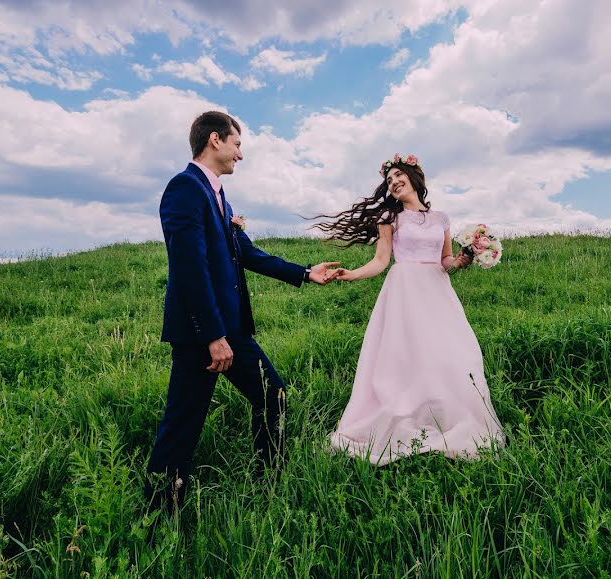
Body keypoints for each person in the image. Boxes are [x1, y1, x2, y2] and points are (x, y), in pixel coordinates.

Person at [144, 111, 341, 511]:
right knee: (183, 423)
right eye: (237, 144)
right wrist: (213, 335)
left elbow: (247, 253)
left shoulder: (219, 196)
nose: (241, 154)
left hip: (230, 330)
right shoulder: (184, 189)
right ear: (215, 140)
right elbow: (189, 269)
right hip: (205, 333)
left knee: (274, 397)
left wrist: (304, 272)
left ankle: (268, 484)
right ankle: (156, 513)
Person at [317, 154, 504, 465]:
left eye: (398, 176)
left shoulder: (441, 219)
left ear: (415, 178)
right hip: (404, 289)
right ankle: (404, 418)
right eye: (389, 181)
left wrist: (464, 258)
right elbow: (380, 261)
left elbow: (445, 262)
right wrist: (350, 274)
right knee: (405, 356)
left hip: (437, 291)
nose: (393, 183)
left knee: (450, 354)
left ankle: (445, 418)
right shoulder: (390, 219)